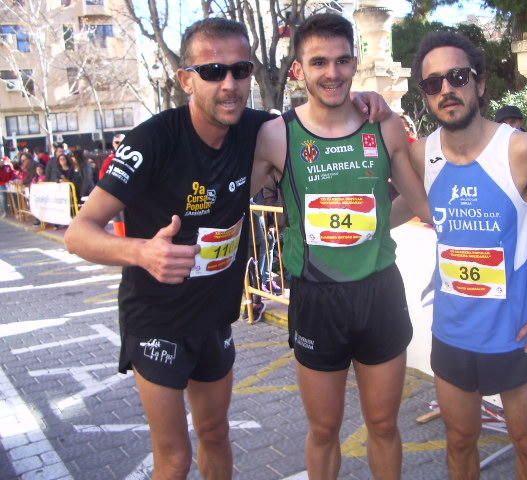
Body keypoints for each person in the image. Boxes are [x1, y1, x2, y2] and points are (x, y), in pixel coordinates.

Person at [65, 17, 389, 479]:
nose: (229, 84)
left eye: (240, 70)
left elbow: (320, 112)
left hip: (214, 318)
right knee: (174, 457)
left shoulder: (255, 130)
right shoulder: (154, 140)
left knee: (216, 434)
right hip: (157, 320)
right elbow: (80, 232)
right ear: (186, 80)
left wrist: (364, 100)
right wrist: (142, 253)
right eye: (213, 71)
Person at [393, 31, 527, 479]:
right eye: (433, 84)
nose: (447, 90)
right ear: (426, 96)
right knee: (459, 444)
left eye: (457, 77)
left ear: (480, 83)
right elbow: (405, 206)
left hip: (516, 335)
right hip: (451, 335)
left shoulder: (519, 150)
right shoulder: (422, 153)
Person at [251, 14, 431, 480]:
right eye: (319, 62)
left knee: (385, 425)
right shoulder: (275, 136)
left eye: (342, 60)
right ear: (298, 70)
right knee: (325, 429)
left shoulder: (384, 126)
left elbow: (420, 204)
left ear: (355, 62)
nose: (332, 72)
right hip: (316, 298)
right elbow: (229, 197)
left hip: (379, 294)